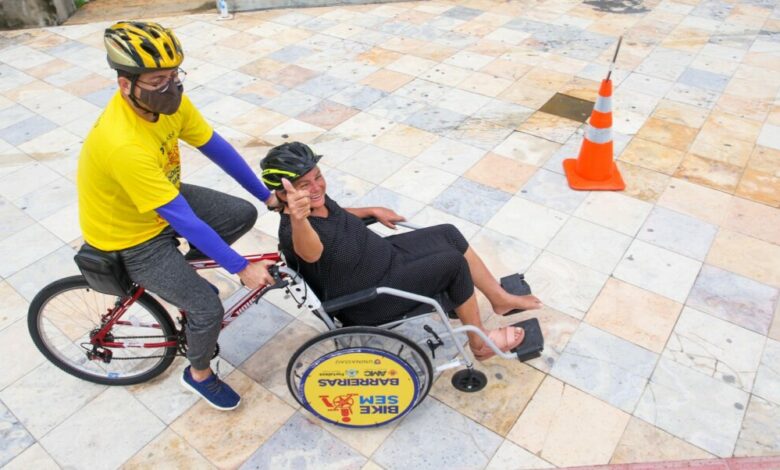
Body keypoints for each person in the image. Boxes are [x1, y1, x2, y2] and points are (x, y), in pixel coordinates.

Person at [77, 21, 277, 410]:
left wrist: (265, 195)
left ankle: (180, 275)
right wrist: (239, 267)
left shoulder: (170, 103)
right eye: (157, 80)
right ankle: (198, 373)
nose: (170, 87)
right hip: (130, 237)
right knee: (207, 306)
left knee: (240, 213)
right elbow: (182, 218)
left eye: (174, 75)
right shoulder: (123, 144)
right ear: (125, 85)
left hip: (159, 195)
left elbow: (214, 146)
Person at [260, 142, 543, 361]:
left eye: (318, 177)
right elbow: (310, 251)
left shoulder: (317, 200)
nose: (316, 187)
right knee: (452, 263)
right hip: (371, 298)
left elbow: (336, 213)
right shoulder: (296, 229)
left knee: (447, 232)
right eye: (303, 185)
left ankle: (499, 298)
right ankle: (480, 344)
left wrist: (370, 210)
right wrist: (298, 218)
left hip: (384, 258)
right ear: (285, 194)